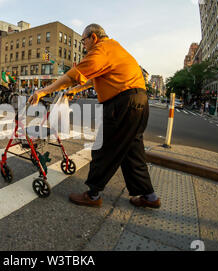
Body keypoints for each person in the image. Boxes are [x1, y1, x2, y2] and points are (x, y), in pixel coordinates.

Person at [29, 24, 160, 209]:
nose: (83, 46)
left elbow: (72, 76)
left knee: (103, 149)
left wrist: (43, 91)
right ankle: (150, 196)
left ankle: (93, 195)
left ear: (93, 37)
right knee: (133, 152)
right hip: (139, 102)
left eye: (84, 41)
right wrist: (75, 90)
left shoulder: (100, 50)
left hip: (122, 104)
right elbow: (92, 78)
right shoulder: (114, 48)